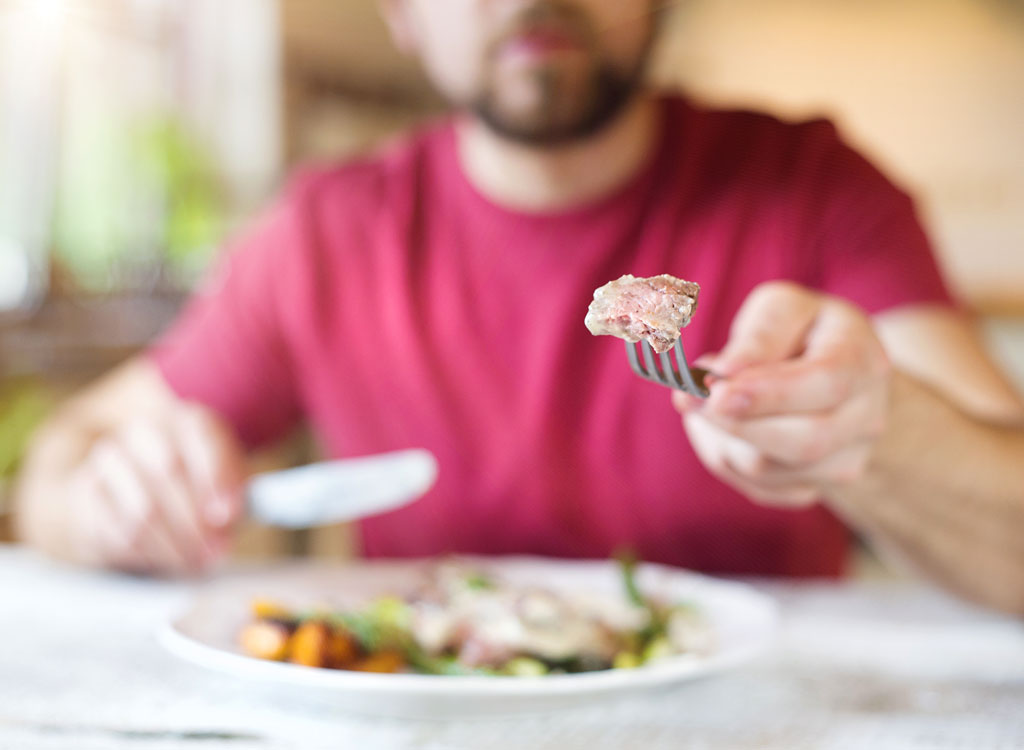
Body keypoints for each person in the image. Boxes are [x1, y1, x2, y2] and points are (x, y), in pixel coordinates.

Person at [15, 1, 1024, 614]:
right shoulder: (325, 231)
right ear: (404, 15)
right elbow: (59, 465)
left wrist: (878, 433)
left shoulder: (816, 187)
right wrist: (110, 500)